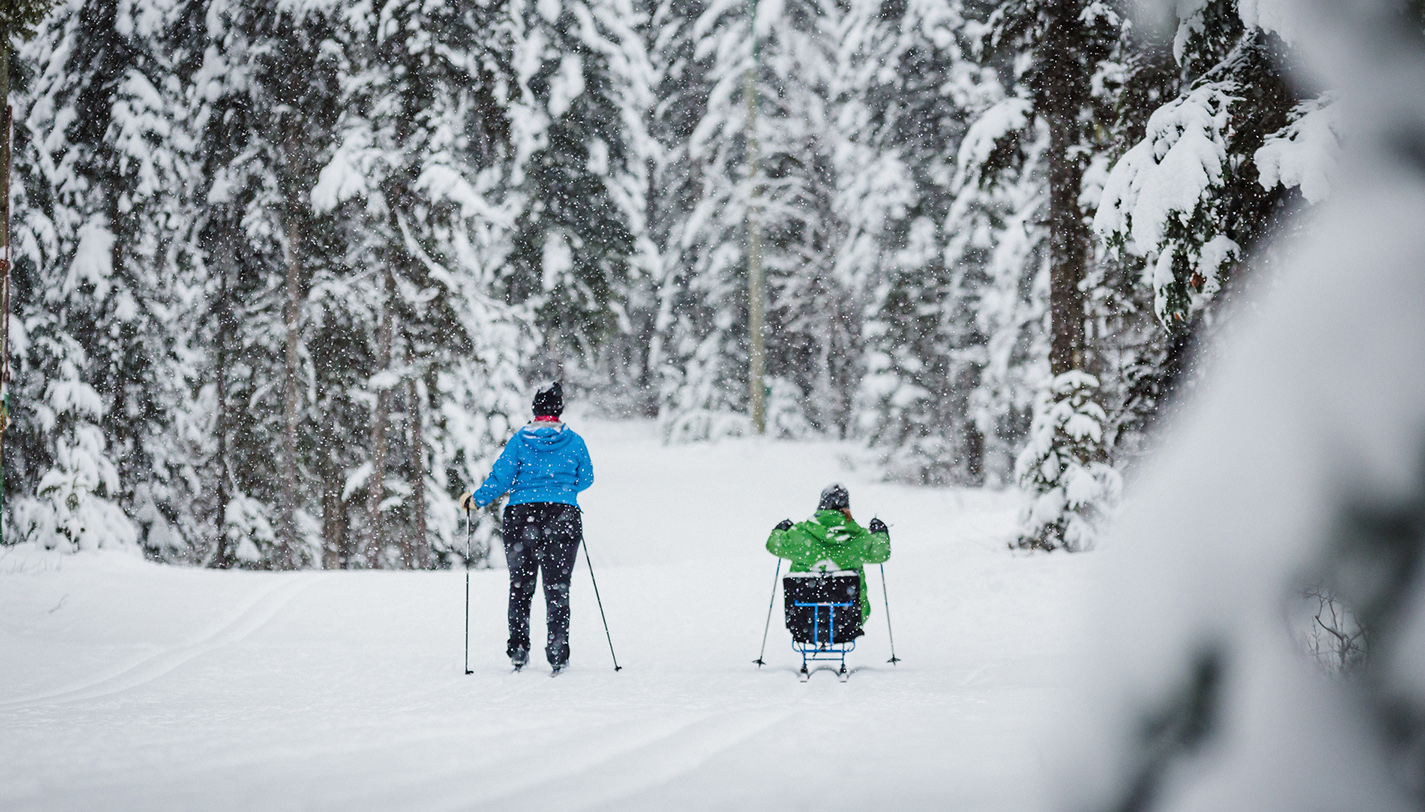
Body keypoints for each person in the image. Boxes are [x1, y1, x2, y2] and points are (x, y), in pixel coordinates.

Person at [460, 382, 594, 674]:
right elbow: (586, 479)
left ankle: (519, 649)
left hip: (522, 518)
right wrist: (562, 490)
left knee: (521, 586)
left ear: (534, 409)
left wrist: (476, 500)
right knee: (557, 587)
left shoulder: (520, 441)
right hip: (563, 516)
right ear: (559, 409)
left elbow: (501, 478)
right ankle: (557, 650)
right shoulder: (575, 441)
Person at [766, 484, 890, 623]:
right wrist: (880, 532)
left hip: (803, 619)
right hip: (850, 618)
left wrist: (780, 530)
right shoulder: (859, 537)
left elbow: (773, 545)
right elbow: (882, 552)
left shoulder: (800, 534)